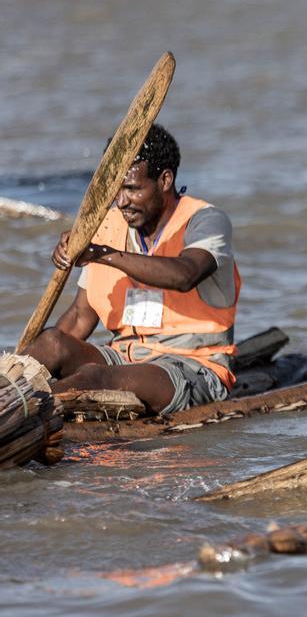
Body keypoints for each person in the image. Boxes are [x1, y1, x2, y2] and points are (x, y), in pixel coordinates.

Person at [20, 125, 240, 414]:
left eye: (133, 189)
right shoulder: (107, 225)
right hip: (124, 359)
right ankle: (10, 392)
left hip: (191, 366)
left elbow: (184, 275)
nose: (121, 201)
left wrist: (103, 255)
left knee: (94, 378)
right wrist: (31, 361)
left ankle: (22, 411)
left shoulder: (205, 221)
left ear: (165, 180)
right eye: (117, 189)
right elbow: (78, 318)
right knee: (51, 342)